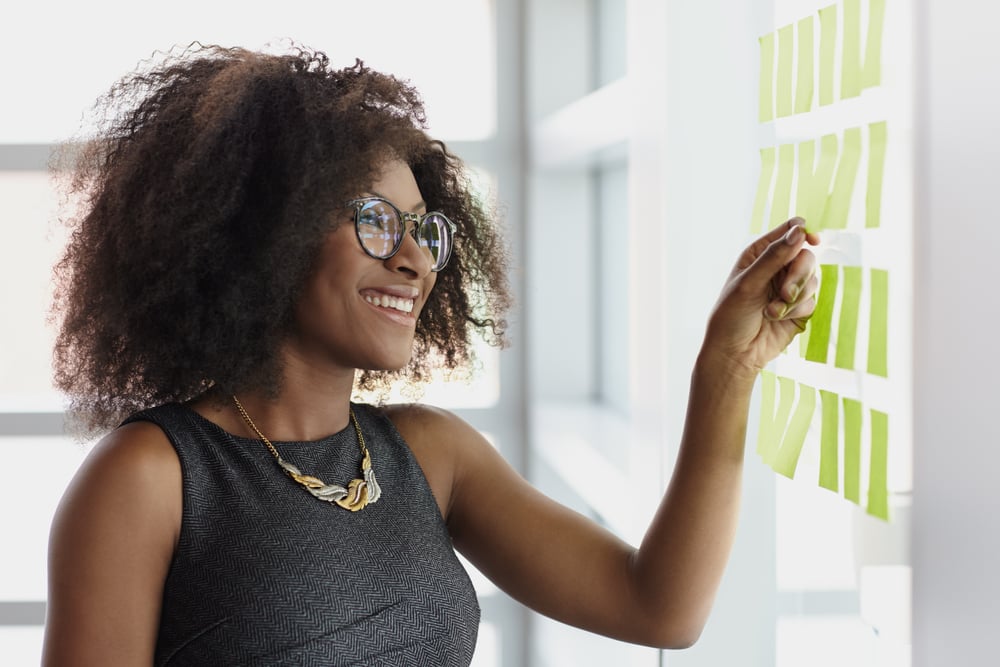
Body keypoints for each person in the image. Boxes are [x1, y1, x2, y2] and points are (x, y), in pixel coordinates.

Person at [42, 43, 819, 666]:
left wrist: (728, 369)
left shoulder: (428, 453)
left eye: (426, 229)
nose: (414, 260)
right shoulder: (148, 480)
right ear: (267, 234)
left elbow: (661, 607)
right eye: (377, 221)